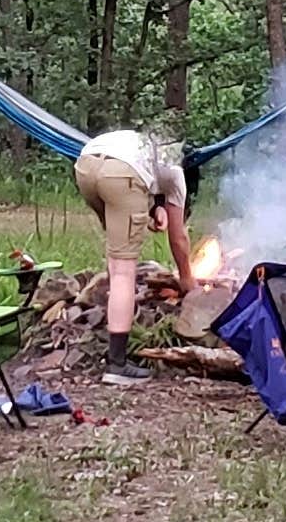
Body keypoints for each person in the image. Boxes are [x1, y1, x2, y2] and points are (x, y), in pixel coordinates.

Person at [73, 127, 197, 384]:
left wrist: (152, 209)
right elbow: (178, 238)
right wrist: (187, 280)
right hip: (121, 175)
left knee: (116, 255)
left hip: (86, 165)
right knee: (123, 272)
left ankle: (108, 308)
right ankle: (117, 365)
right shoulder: (176, 172)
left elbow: (145, 184)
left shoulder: (149, 147)